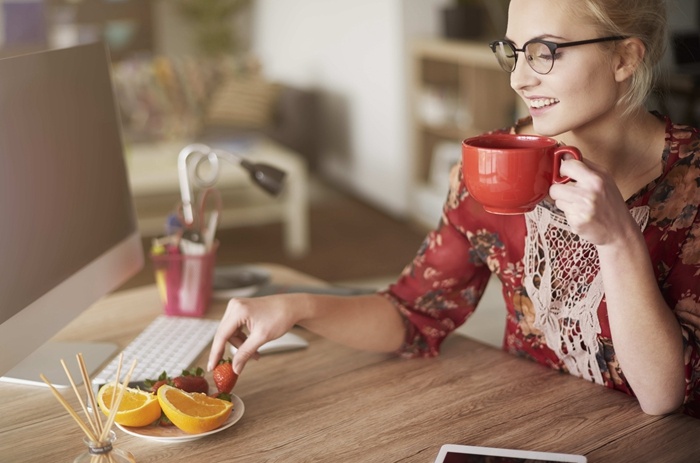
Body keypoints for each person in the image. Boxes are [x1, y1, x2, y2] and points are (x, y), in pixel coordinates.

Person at [208, 0, 700, 418]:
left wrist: (617, 241)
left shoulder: (692, 184)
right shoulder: (495, 167)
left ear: (625, 59)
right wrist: (297, 305)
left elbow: (663, 397)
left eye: (545, 53)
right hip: (528, 430)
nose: (519, 80)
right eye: (514, 53)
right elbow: (415, 313)